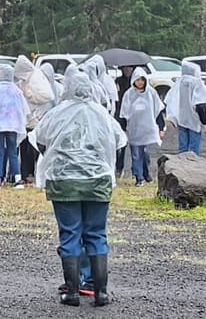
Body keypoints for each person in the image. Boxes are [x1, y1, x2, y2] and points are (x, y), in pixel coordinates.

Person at [36, 70, 127, 307]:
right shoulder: (102, 114)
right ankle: (101, 292)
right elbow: (119, 141)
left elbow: (40, 139)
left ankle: (73, 291)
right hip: (98, 181)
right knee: (96, 233)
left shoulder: (57, 114)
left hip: (64, 180)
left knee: (70, 233)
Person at [119, 67, 164, 185]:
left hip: (148, 129)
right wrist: (123, 128)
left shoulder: (151, 93)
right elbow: (124, 113)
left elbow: (158, 110)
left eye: (142, 80)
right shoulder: (129, 94)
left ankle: (145, 172)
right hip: (135, 129)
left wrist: (161, 127)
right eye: (137, 80)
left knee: (146, 154)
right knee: (136, 154)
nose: (140, 82)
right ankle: (139, 177)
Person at [15, 55, 55, 181]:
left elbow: (48, 96)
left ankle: (35, 174)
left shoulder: (37, 77)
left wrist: (30, 95)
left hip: (38, 118)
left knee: (33, 149)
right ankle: (25, 174)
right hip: (26, 119)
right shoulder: (24, 79)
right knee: (24, 148)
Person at [164, 60, 206, 154]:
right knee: (194, 149)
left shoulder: (180, 82)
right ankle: (192, 167)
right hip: (194, 120)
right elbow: (200, 104)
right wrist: (205, 122)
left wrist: (173, 118)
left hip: (182, 120)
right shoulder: (196, 83)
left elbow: (171, 100)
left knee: (183, 148)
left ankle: (182, 167)